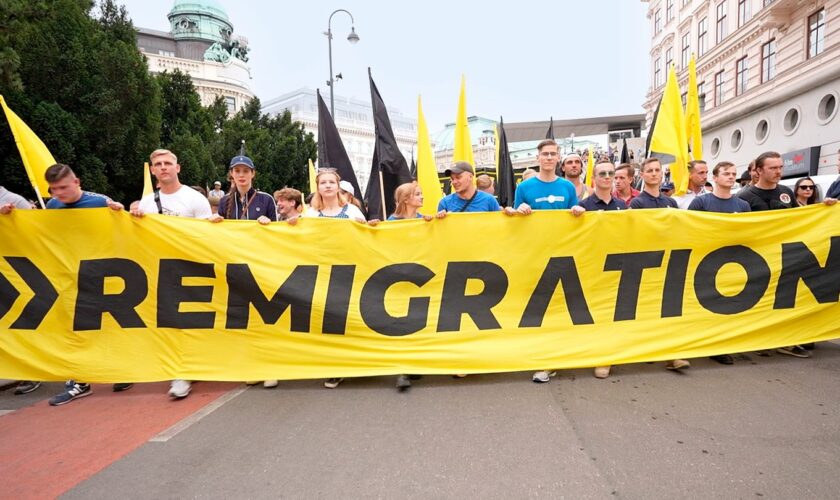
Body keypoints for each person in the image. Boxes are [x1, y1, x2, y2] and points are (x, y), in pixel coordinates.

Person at [3, 164, 127, 405]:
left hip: (103, 274)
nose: (58, 193)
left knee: (109, 326)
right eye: (53, 189)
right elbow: (44, 235)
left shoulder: (100, 202)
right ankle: (79, 381)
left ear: (77, 182)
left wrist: (120, 213)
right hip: (69, 276)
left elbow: (126, 231)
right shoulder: (52, 206)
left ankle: (121, 371)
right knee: (74, 329)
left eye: (63, 187)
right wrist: (13, 220)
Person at [737, 151, 835, 357]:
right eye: (773, 168)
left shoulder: (786, 193)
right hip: (758, 259)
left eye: (780, 167)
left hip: (785, 258)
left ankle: (783, 338)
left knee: (783, 299)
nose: (778, 171)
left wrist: (824, 210)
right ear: (758, 170)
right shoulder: (744, 197)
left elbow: (797, 221)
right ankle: (758, 339)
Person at [131, 149, 213, 398]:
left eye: (168, 163)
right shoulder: (146, 203)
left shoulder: (195, 199)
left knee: (197, 321)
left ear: (178, 168)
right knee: (172, 323)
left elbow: (209, 235)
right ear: (152, 170)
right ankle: (181, 371)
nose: (164, 167)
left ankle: (199, 363)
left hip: (193, 268)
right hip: (161, 271)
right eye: (158, 164)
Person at [505, 140, 584, 383]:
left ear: (557, 158)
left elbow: (575, 219)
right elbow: (514, 221)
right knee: (536, 308)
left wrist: (578, 212)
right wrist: (519, 210)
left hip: (562, 255)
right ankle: (538, 355)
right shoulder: (525, 187)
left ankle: (554, 357)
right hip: (534, 255)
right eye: (545, 154)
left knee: (559, 307)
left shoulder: (567, 188)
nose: (549, 158)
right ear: (538, 158)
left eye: (553, 154)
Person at [302, 169, 366, 389]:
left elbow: (367, 240)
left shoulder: (352, 211)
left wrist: (368, 228)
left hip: (349, 271)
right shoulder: (310, 215)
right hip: (322, 272)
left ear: (338, 186)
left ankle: (356, 362)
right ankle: (334, 367)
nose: (327, 186)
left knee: (351, 319)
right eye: (323, 182)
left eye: (331, 182)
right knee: (329, 322)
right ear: (317, 187)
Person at [627, 158, 690, 371]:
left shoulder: (671, 203)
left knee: (667, 310)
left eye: (657, 171)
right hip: (645, 262)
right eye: (650, 171)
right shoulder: (637, 204)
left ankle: (671, 354)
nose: (654, 174)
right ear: (642, 175)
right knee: (645, 309)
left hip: (668, 262)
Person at [688, 161, 751, 365]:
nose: (731, 177)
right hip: (704, 262)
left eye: (733, 174)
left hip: (733, 263)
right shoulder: (701, 203)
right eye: (726, 173)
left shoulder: (743, 206)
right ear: (715, 178)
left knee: (727, 306)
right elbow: (688, 229)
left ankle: (722, 345)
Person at [578, 161, 627, 379]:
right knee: (592, 313)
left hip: (616, 266)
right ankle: (593, 353)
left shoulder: (622, 206)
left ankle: (606, 356)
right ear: (594, 179)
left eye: (611, 173)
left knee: (611, 313)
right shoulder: (584, 206)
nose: (607, 177)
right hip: (591, 267)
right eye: (602, 174)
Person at [0, 187, 39, 395]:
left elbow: (36, 233)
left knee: (21, 322)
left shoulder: (14, 200)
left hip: (18, 275)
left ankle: (30, 373)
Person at [210, 155, 276, 224]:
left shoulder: (267, 199)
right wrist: (214, 220)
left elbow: (276, 230)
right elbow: (220, 231)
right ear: (231, 173)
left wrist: (269, 223)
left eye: (246, 171)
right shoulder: (224, 201)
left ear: (253, 173)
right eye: (237, 171)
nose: (241, 175)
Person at [436, 162, 501, 217]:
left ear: (470, 177)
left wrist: (508, 214)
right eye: (452, 179)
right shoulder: (444, 203)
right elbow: (439, 230)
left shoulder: (489, 200)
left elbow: (500, 226)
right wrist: (431, 220)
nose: (454, 182)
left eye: (458, 177)